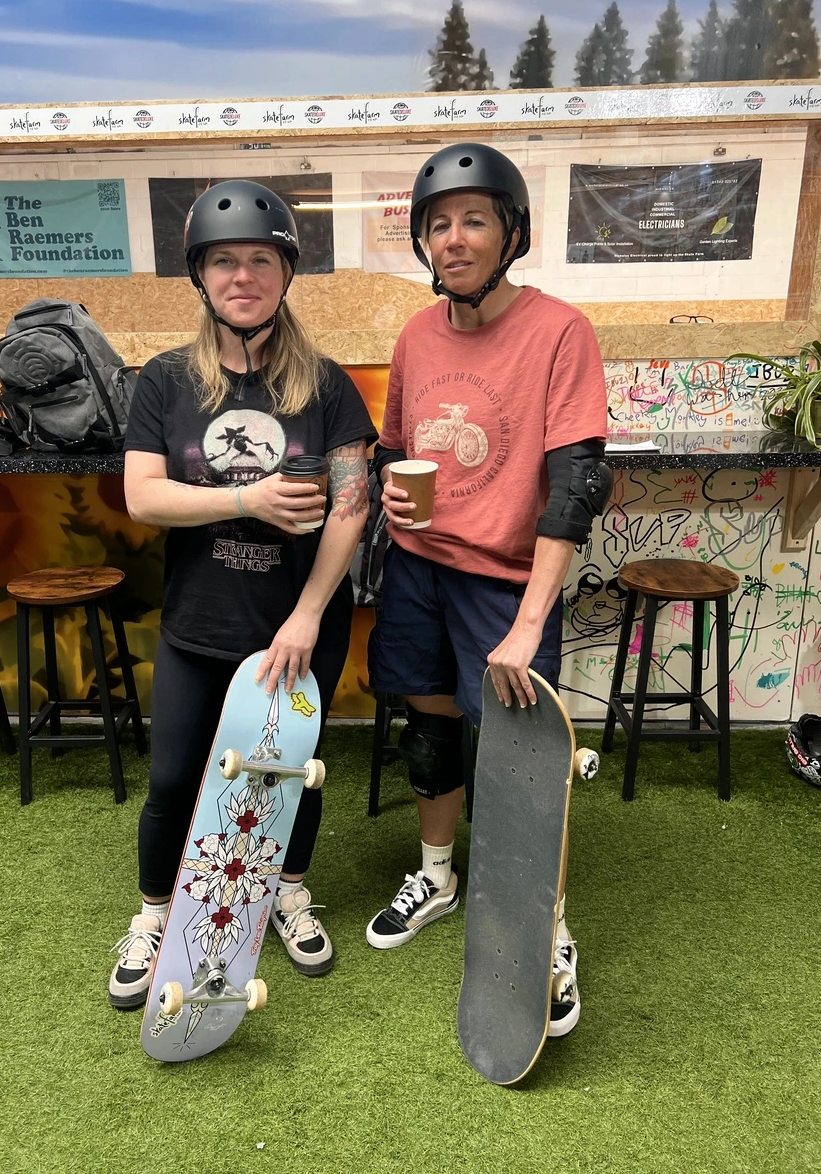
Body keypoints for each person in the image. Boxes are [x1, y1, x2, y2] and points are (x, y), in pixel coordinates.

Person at [109, 180, 376, 1007]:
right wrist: (244, 499)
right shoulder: (164, 382)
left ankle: (289, 891)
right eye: (224, 261)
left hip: (297, 626)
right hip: (198, 621)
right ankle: (155, 915)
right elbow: (143, 498)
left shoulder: (326, 385)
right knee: (172, 779)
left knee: (290, 774)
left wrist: (306, 616)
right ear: (200, 276)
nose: (242, 276)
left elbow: (352, 504)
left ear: (285, 272)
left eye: (260, 259)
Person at [366, 143, 610, 1037]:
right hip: (418, 567)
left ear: (513, 232)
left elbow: (579, 482)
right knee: (430, 730)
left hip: (505, 583)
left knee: (516, 756)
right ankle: (436, 874)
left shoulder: (558, 331)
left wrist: (527, 622)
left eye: (473, 220)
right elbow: (398, 447)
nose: (454, 238)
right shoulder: (416, 335)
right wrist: (393, 483)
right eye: (438, 223)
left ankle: (542, 929)